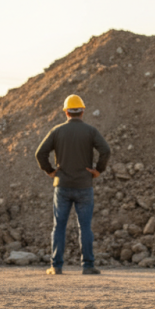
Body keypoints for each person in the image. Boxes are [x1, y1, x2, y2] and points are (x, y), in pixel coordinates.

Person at [35, 94, 111, 275]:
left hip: (62, 186)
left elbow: (40, 153)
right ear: (82, 111)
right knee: (85, 227)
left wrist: (51, 171)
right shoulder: (91, 131)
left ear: (66, 112)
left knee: (59, 226)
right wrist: (98, 170)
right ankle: (88, 266)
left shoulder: (57, 131)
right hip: (85, 186)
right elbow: (105, 151)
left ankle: (56, 266)